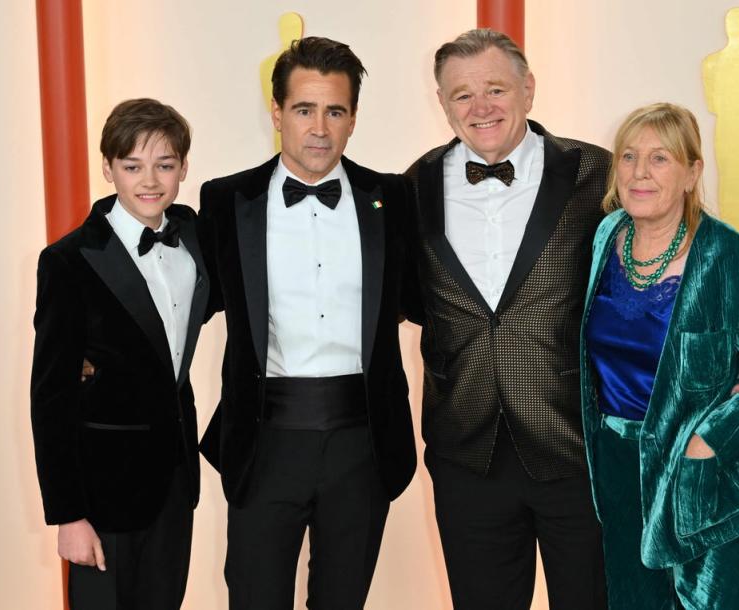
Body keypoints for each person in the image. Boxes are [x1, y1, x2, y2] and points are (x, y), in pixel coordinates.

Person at [196, 36, 417, 609]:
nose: (319, 128)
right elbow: (183, 293)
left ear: (352, 120)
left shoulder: (392, 200)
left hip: (362, 443)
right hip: (264, 441)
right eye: (304, 109)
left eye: (334, 111)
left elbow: (431, 300)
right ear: (277, 113)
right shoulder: (226, 200)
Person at [405, 28, 609, 609]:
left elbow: (655, 276)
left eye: (495, 88)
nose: (481, 108)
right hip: (467, 452)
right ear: (442, 103)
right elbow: (411, 299)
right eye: (461, 95)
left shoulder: (597, 175)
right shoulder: (412, 186)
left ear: (529, 90)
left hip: (578, 448)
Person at [580, 102, 739, 609]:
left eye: (660, 158)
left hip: (704, 481)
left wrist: (707, 443)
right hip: (618, 471)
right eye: (628, 156)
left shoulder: (735, 260)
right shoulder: (606, 236)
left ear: (692, 172)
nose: (640, 173)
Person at [30, 98, 208, 609]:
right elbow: (51, 397)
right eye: (132, 166)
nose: (149, 181)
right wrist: (68, 515)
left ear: (183, 168)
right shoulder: (68, 261)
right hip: (101, 497)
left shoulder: (194, 237)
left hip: (175, 482)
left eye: (165, 165)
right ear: (108, 168)